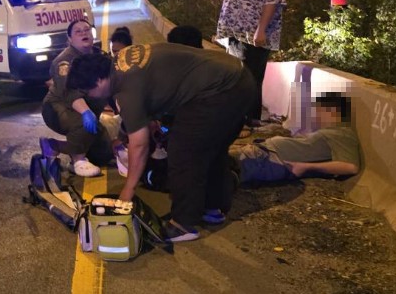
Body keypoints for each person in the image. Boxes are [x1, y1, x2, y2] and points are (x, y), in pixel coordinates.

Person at [66, 43, 256, 242]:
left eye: (87, 92)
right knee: (211, 148)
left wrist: (128, 190)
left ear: (98, 81)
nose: (90, 97)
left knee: (183, 153)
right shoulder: (122, 61)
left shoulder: (127, 90)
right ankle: (212, 207)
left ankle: (183, 224)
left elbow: (139, 145)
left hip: (220, 90)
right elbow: (155, 87)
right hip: (239, 77)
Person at [216, 0, 285, 127]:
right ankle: (238, 118)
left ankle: (251, 120)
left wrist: (260, 30)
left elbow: (272, 1)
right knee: (237, 75)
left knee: (251, 78)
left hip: (253, 35)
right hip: (236, 35)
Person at [231, 93, 360, 183]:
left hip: (269, 160)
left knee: (224, 165)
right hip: (263, 153)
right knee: (223, 157)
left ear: (333, 111)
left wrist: (305, 166)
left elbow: (351, 167)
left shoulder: (342, 133)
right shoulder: (331, 131)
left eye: (318, 110)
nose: (315, 115)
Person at [41, 18, 114, 177]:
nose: (83, 33)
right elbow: (69, 92)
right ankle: (77, 160)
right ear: (70, 39)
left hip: (89, 110)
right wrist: (86, 112)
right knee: (82, 123)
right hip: (58, 108)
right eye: (78, 31)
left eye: (86, 30)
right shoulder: (63, 62)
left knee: (104, 154)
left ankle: (54, 145)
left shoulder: (100, 56)